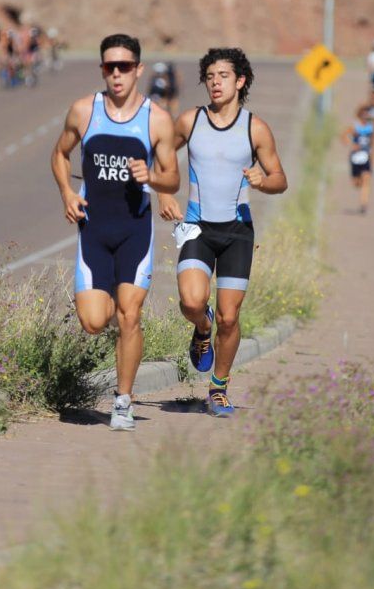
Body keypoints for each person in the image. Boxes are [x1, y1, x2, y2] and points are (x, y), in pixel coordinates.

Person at [50, 34, 180, 430]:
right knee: (93, 321)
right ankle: (113, 321)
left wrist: (153, 178)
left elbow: (171, 178)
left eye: (125, 66)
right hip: (94, 230)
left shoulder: (156, 118)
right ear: (103, 70)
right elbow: (59, 154)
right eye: (110, 66)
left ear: (138, 69)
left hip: (134, 231)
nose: (117, 73)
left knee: (130, 315)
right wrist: (68, 193)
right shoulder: (84, 111)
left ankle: (122, 401)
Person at [156, 48, 288, 417]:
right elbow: (162, 155)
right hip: (197, 227)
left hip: (237, 231)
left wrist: (265, 181)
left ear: (240, 81)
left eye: (223, 76)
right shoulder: (190, 121)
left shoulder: (255, 128)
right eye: (210, 76)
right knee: (192, 302)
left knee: (231, 317)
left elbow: (281, 179)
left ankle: (218, 388)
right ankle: (202, 329)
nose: (215, 82)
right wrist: (165, 192)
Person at [341, 105, 374, 215]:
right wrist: (350, 143)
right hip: (355, 157)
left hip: (366, 157)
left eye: (368, 115)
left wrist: (373, 156)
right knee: (356, 183)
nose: (366, 117)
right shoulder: (355, 126)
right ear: (360, 115)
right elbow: (343, 136)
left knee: (366, 180)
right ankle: (359, 186)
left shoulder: (371, 128)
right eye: (364, 115)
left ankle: (363, 204)